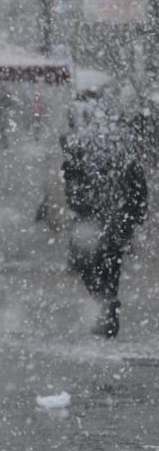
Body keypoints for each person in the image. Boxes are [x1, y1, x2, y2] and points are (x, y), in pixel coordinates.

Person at [62, 109, 148, 338]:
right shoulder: (126, 152)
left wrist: (80, 207)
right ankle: (108, 304)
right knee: (112, 268)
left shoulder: (82, 151)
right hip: (119, 222)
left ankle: (105, 305)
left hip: (94, 223)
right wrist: (137, 214)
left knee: (91, 268)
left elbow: (73, 187)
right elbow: (139, 188)